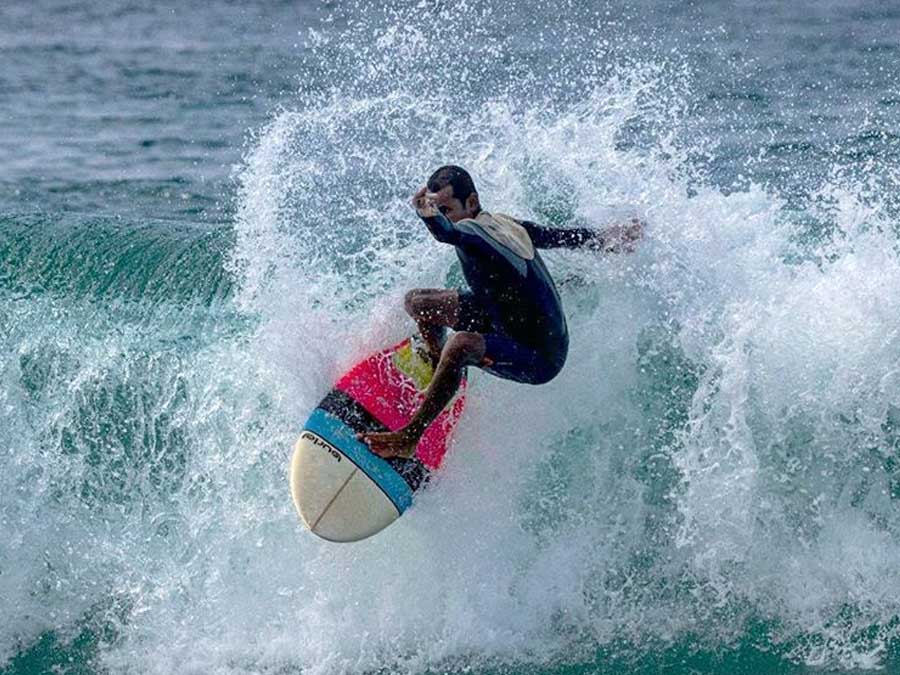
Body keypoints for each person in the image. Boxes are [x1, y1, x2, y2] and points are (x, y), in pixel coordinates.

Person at [360, 165, 642, 459]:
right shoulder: (501, 223)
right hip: (500, 315)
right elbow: (552, 235)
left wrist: (426, 214)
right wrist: (605, 238)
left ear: (471, 202)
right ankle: (438, 365)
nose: (444, 215)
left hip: (538, 353)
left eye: (446, 208)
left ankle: (409, 437)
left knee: (461, 345)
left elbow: (446, 234)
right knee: (418, 302)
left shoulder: (474, 233)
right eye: (438, 208)